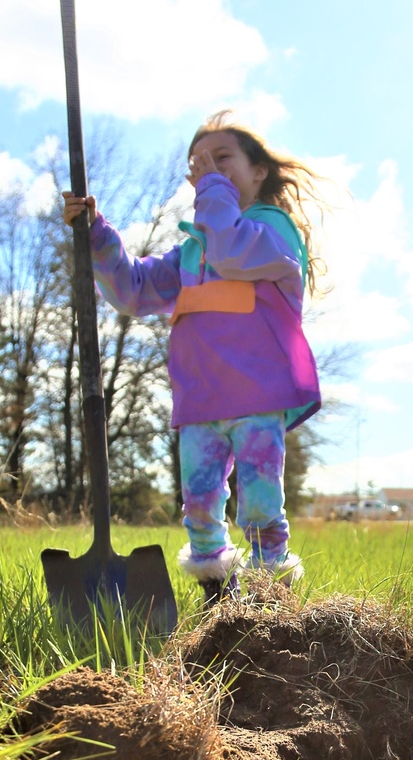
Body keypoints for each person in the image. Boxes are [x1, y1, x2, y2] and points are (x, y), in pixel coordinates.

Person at [63, 113, 323, 607]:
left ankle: (271, 600)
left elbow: (231, 253)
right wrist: (95, 233)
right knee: (200, 506)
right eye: (198, 165)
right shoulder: (190, 254)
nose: (208, 171)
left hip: (258, 396)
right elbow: (133, 291)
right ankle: (216, 595)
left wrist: (214, 191)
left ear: (259, 171)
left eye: (222, 159)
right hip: (201, 400)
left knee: (260, 504)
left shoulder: (274, 235)